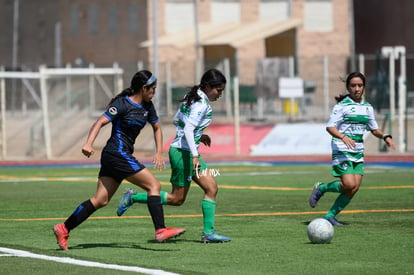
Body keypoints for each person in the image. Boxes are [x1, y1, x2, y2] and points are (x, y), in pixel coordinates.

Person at [53, 70, 185, 250]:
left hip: (114, 156)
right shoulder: (122, 104)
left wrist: (159, 152)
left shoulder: (148, 106)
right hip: (117, 153)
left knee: (100, 200)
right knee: (154, 186)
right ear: (144, 88)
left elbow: (156, 128)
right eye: (152, 89)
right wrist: (89, 144)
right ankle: (160, 230)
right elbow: (99, 122)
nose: (154, 92)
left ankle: (63, 228)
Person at [116, 68, 231, 243]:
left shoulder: (192, 97)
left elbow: (178, 120)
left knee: (211, 188)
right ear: (208, 86)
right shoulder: (201, 104)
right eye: (218, 90)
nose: (220, 94)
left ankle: (208, 232)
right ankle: (133, 197)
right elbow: (188, 128)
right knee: (176, 199)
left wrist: (200, 135)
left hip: (185, 151)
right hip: (183, 154)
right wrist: (194, 154)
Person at [309, 72, 396, 226]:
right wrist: (343, 137)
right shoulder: (342, 106)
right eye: (353, 85)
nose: (357, 88)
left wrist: (385, 136)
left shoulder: (368, 107)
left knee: (354, 188)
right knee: (348, 184)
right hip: (342, 148)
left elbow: (374, 129)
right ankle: (321, 188)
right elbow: (330, 127)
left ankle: (330, 216)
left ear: (364, 87)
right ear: (348, 87)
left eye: (360, 85)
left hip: (357, 150)